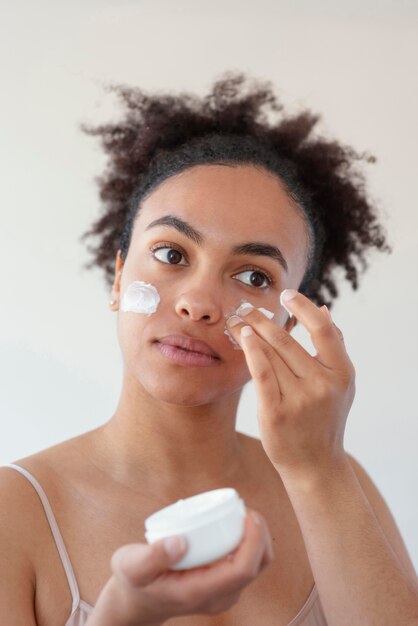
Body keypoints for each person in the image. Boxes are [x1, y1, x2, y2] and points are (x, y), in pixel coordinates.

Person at [1, 71, 417, 626]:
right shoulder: (14, 512)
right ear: (119, 278)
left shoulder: (339, 483)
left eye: (252, 275)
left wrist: (319, 469)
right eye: (172, 255)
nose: (199, 303)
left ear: (293, 321)